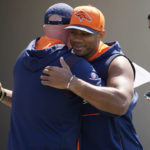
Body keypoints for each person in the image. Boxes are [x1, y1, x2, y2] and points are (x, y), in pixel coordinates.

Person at [0, 3, 103, 150]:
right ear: (70, 30)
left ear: (45, 28)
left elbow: (30, 105)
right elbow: (110, 105)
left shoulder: (22, 58)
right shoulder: (74, 64)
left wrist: (2, 94)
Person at [41, 5, 143, 150]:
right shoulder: (69, 62)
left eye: (85, 34)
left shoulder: (116, 62)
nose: (77, 39)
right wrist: (2, 95)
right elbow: (38, 106)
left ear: (101, 34)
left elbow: (120, 102)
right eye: (73, 32)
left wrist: (71, 83)